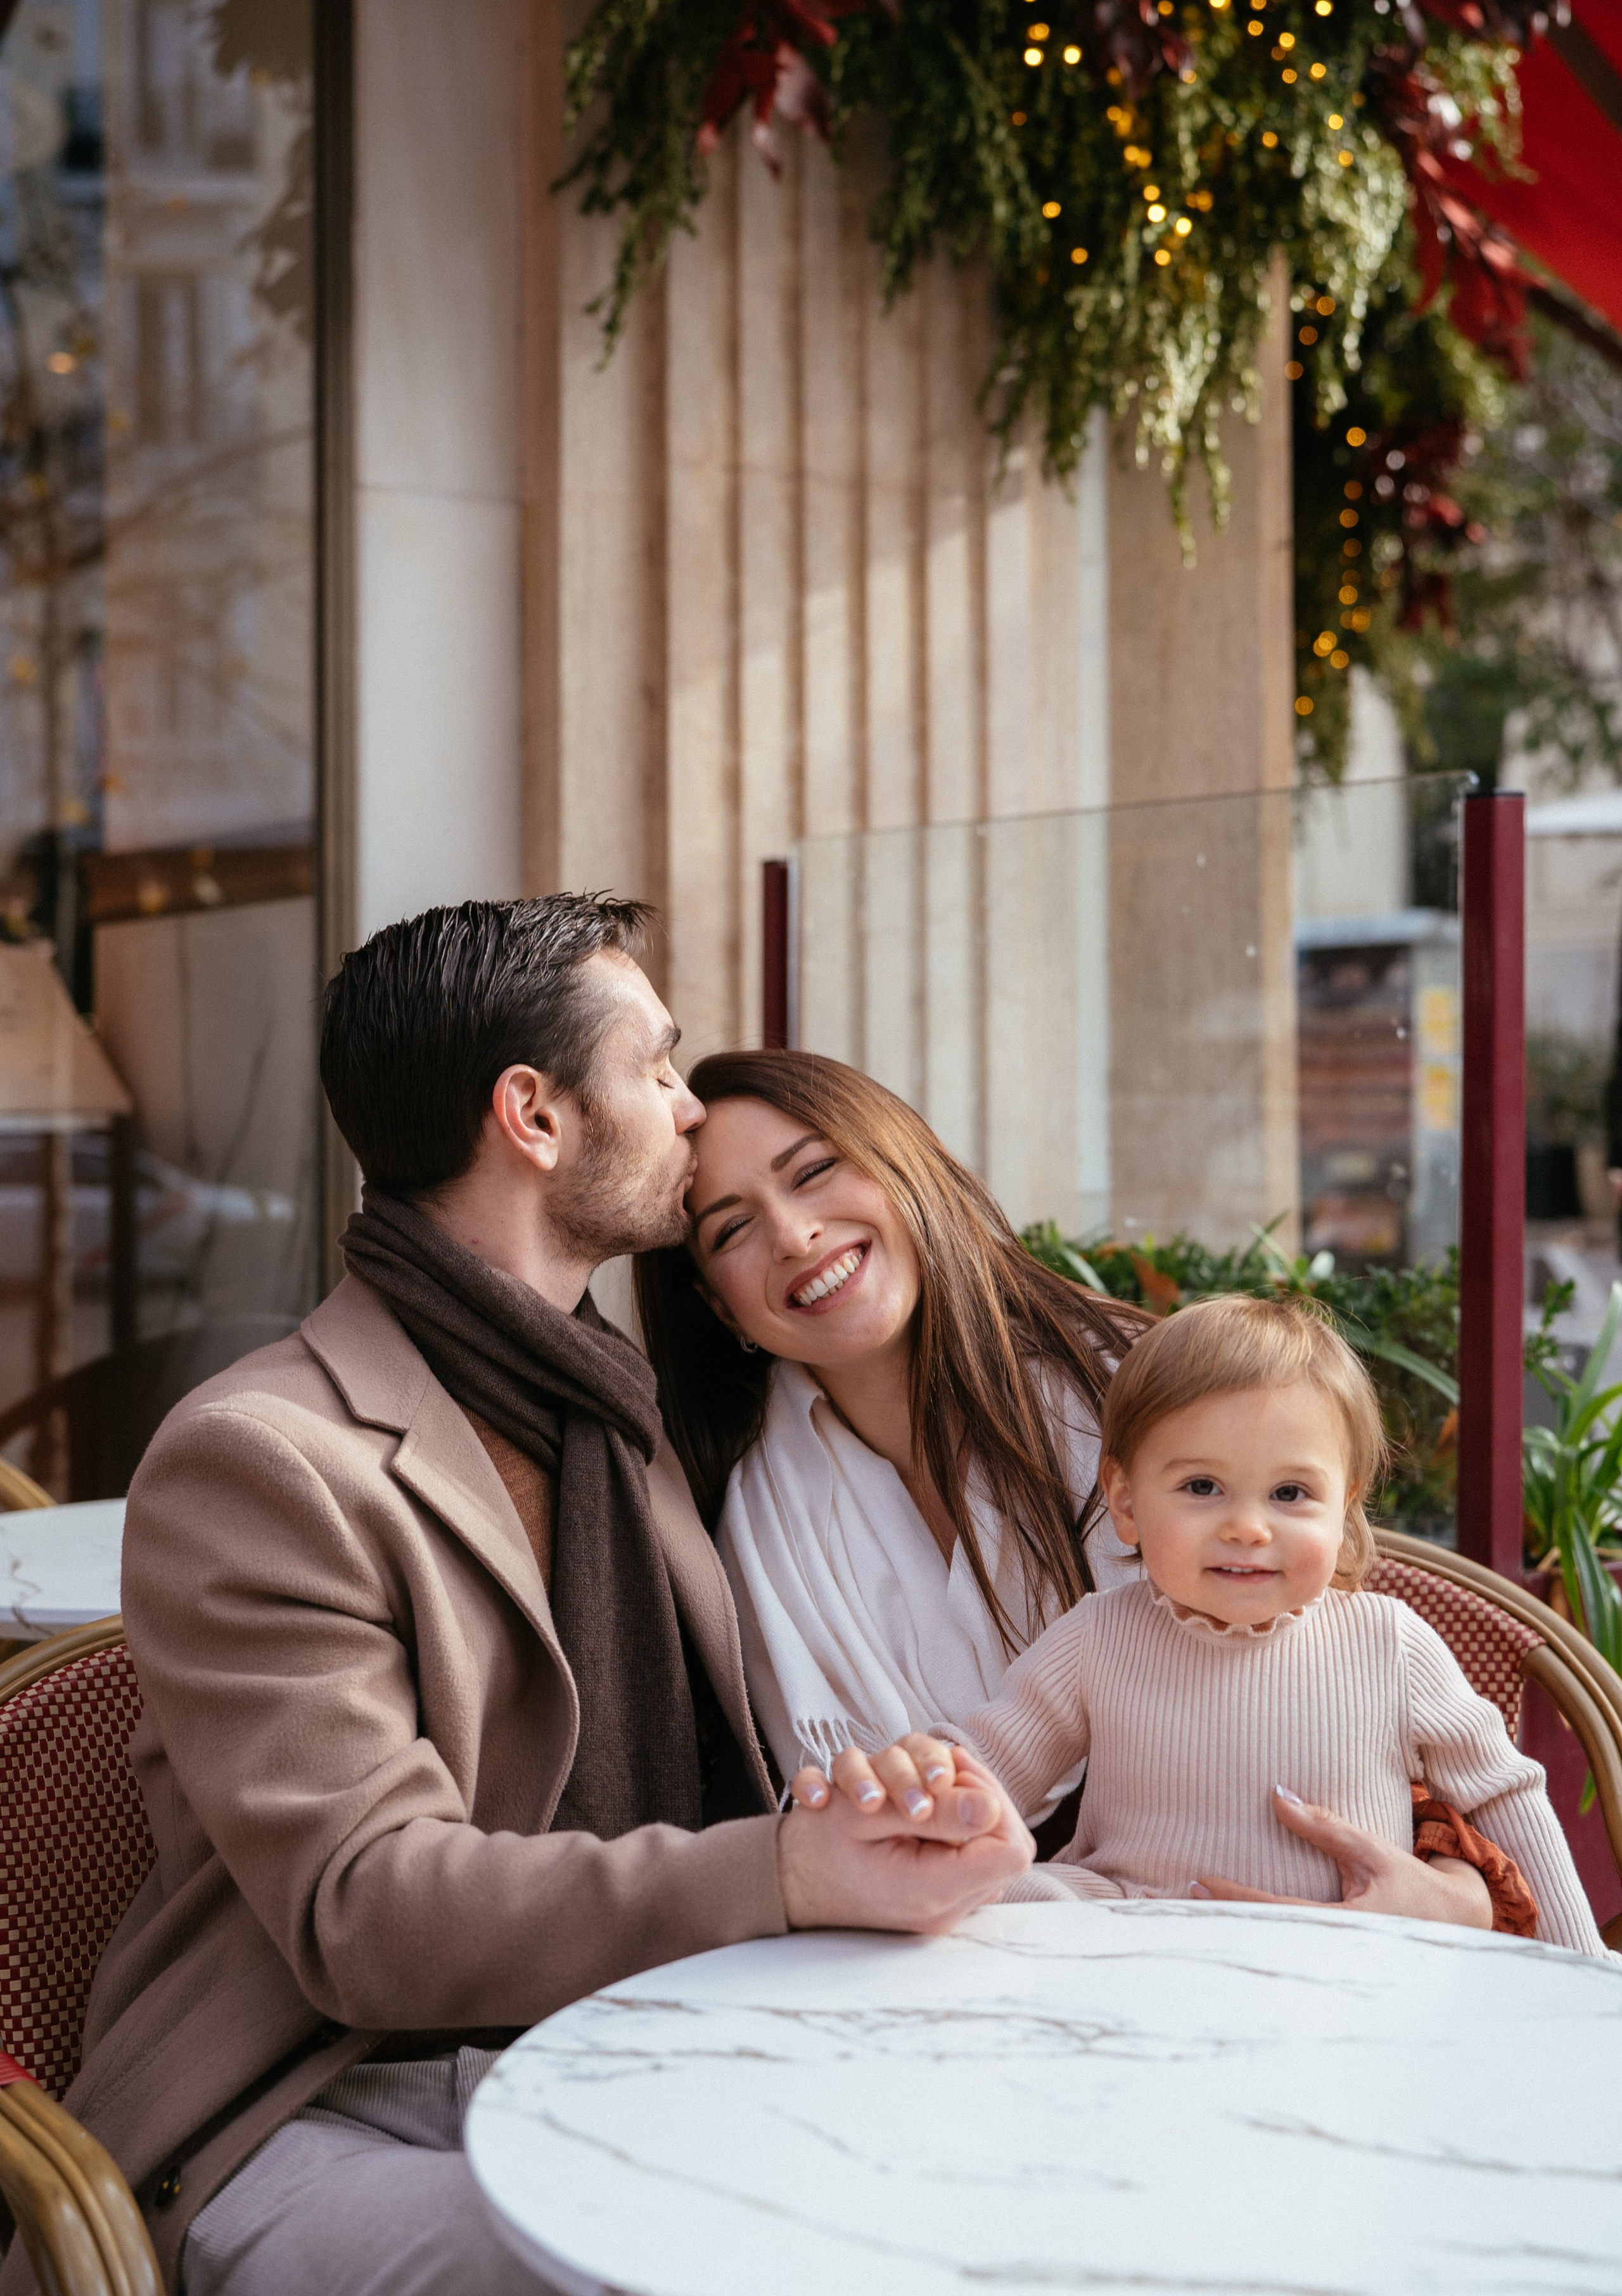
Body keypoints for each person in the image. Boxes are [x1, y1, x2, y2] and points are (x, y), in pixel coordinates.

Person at [0, 898, 1031, 2296]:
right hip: (320, 2112)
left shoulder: (620, 1408)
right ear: (534, 1118)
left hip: (627, 2047)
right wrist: (785, 1869)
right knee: (713, 2266)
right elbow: (366, 1910)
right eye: (656, 1068)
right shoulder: (264, 1458)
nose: (687, 1109)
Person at [635, 1049, 1524, 1925]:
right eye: (732, 1229)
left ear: (904, 1163)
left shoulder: (1137, 1391)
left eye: (816, 1171)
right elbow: (835, 1833)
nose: (795, 1234)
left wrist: (1461, 1891)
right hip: (963, 1940)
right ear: (721, 1307)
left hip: (1300, 1924)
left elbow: (1324, 1685)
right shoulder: (745, 1528)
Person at [811, 1296, 1606, 1953]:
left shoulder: (1388, 1643)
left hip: (1354, 1964)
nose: (1248, 1528)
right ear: (1124, 1502)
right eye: (1201, 1486)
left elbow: (1507, 1798)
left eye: (1290, 1494)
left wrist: (1586, 1982)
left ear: (1346, 1505)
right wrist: (916, 1789)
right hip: (1132, 1939)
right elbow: (989, 1761)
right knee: (997, 1885)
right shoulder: (1099, 1637)